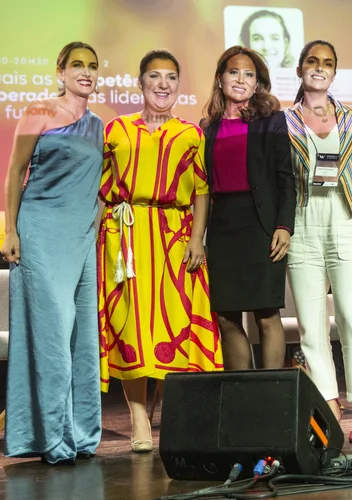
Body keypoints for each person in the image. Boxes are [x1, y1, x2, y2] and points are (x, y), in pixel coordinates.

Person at [98, 49, 223, 453]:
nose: (163, 84)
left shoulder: (191, 133)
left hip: (175, 236)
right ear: (141, 83)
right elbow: (98, 189)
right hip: (127, 238)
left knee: (176, 324)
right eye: (155, 76)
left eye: (171, 77)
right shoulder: (115, 130)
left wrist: (198, 238)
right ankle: (137, 416)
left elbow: (202, 190)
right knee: (131, 326)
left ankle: (169, 415)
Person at [1, 41, 103, 464]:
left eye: (92, 66)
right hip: (40, 231)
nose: (86, 72)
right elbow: (14, 171)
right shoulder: (39, 111)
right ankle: (50, 436)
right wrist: (10, 229)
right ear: (60, 71)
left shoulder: (100, 124)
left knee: (81, 339)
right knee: (51, 335)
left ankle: (80, 434)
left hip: (82, 238)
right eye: (77, 65)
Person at [283, 40, 352, 444]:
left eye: (327, 64)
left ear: (335, 73)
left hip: (349, 218)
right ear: (301, 69)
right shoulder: (283, 120)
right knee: (311, 327)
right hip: (303, 222)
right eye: (312, 62)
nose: (319, 68)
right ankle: (330, 406)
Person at [200, 46, 295, 371]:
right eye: (234, 72)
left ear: (258, 83)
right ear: (221, 78)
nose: (240, 79)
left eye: (249, 74)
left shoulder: (272, 121)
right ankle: (245, 397)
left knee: (267, 315)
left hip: (262, 225)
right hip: (223, 228)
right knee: (227, 317)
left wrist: (284, 225)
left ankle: (271, 399)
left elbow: (286, 178)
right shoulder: (207, 128)